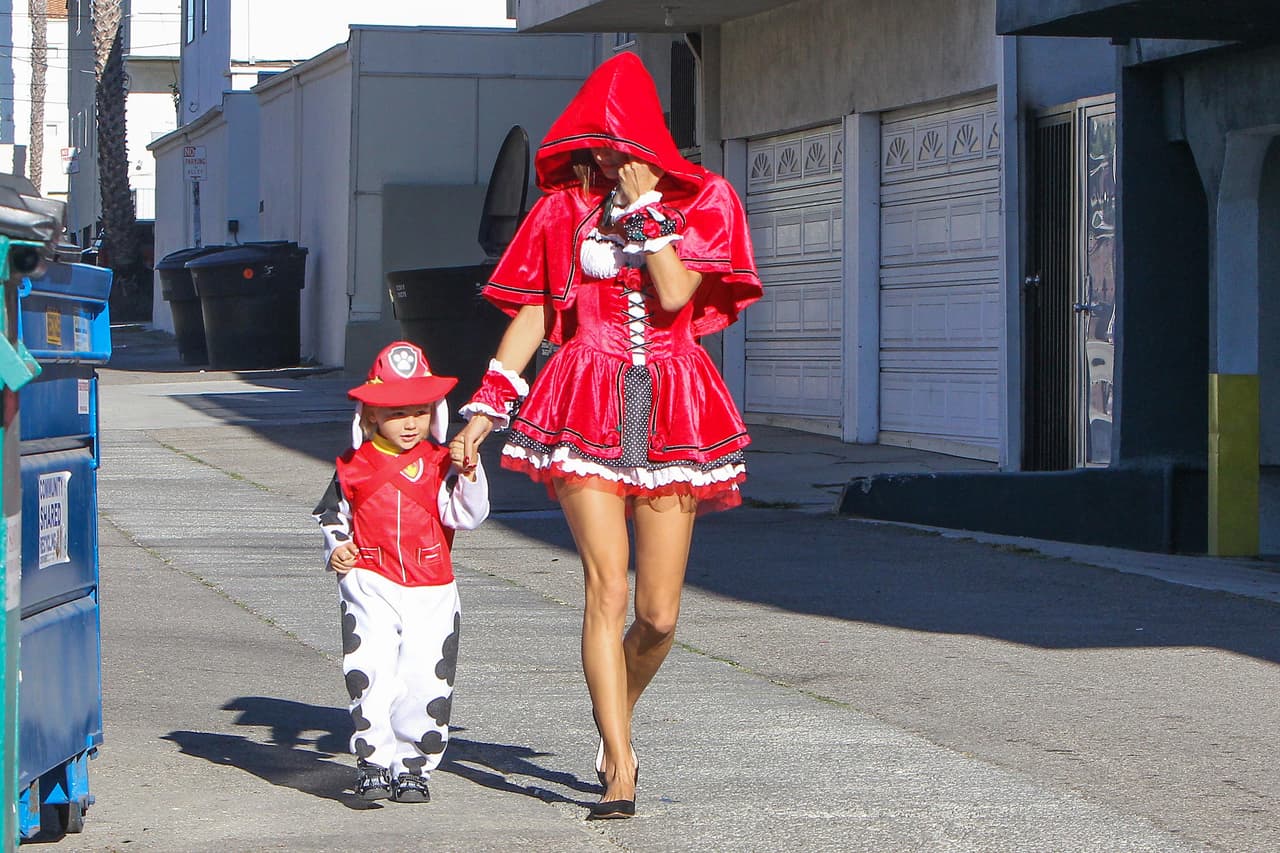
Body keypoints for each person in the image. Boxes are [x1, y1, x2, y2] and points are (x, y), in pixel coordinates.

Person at [453, 52, 761, 820]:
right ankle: (619, 765)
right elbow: (534, 314)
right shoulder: (560, 212)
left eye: (619, 148)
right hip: (585, 396)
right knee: (607, 588)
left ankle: (612, 706)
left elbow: (676, 292)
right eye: (597, 147)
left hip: (670, 402)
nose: (606, 162)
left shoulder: (705, 200)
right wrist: (487, 407)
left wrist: (646, 208)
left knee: (657, 614)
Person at [314, 341, 489, 803]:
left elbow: (467, 516)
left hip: (432, 589)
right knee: (370, 670)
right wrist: (338, 547)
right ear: (371, 415)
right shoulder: (352, 467)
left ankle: (413, 766)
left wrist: (469, 473)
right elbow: (332, 514)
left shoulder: (442, 466)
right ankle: (373, 760)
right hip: (370, 582)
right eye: (396, 413)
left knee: (426, 678)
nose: (410, 423)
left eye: (419, 412)